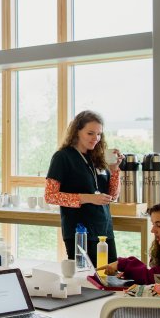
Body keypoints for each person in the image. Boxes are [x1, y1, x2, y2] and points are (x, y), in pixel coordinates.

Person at [45, 111, 123, 265]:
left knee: (110, 277)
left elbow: (113, 195)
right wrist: (87, 198)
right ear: (77, 131)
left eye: (99, 134)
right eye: (90, 133)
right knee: (86, 281)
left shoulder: (98, 158)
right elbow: (50, 196)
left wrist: (114, 169)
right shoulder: (63, 157)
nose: (96, 138)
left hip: (104, 229)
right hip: (79, 231)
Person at [97, 200, 160, 284]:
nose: (153, 230)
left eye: (159, 225)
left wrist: (124, 264)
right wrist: (130, 273)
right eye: (153, 224)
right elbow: (154, 273)